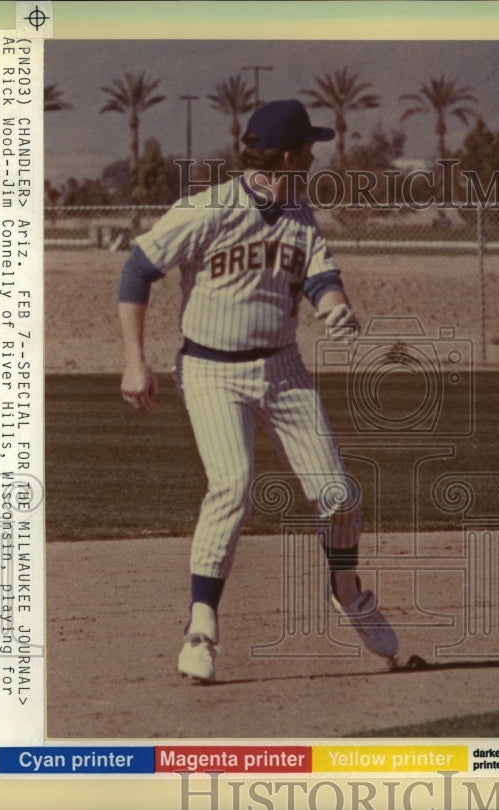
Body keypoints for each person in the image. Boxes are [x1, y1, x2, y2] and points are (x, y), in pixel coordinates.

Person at [117, 99, 398, 681]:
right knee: (232, 487)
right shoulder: (207, 209)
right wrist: (134, 361)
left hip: (284, 368)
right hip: (211, 369)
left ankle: (347, 591)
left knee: (339, 496)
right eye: (311, 150)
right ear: (290, 155)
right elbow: (137, 268)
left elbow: (320, 277)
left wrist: (336, 309)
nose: (316, 157)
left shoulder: (299, 212)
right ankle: (201, 628)